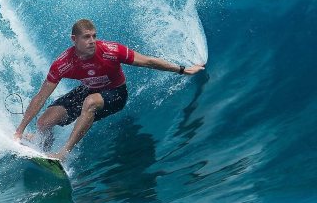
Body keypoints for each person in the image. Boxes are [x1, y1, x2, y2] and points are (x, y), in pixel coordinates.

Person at [13, 18, 205, 161]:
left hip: (116, 94)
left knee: (90, 102)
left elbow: (148, 61)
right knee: (44, 122)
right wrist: (19, 131)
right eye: (86, 37)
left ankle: (62, 154)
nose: (92, 41)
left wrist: (183, 70)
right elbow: (41, 96)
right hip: (88, 90)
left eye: (94, 36)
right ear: (74, 39)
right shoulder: (63, 63)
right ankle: (41, 147)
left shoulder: (111, 51)